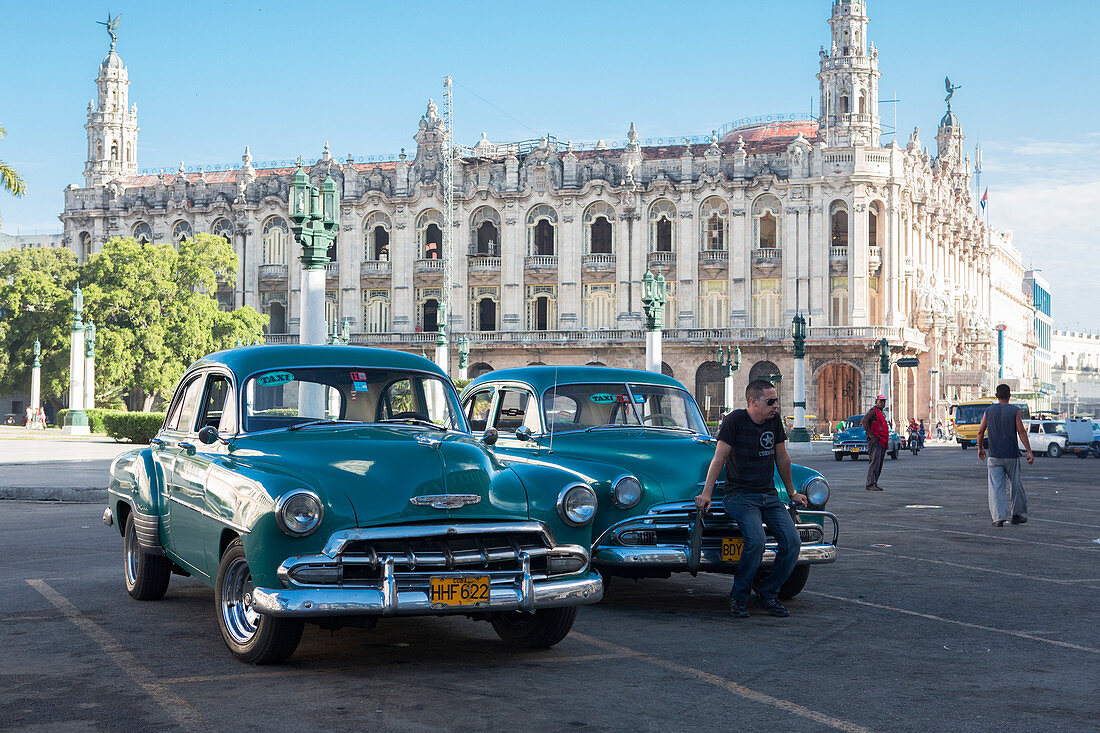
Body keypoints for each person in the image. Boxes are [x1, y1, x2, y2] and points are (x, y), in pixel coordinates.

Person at [696, 379, 807, 618]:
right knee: (756, 541)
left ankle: (768, 594)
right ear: (753, 402)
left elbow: (783, 458)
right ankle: (739, 596)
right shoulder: (734, 421)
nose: (776, 406)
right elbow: (719, 459)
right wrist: (706, 493)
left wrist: (792, 493)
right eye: (770, 402)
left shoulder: (774, 421)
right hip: (740, 496)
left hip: (768, 495)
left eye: (776, 400)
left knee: (793, 542)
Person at [977, 384, 1033, 527]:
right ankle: (1016, 515)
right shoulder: (1015, 411)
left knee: (996, 487)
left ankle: (998, 518)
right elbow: (1021, 431)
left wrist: (980, 449)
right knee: (1015, 485)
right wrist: (1029, 451)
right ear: (1009, 396)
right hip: (1011, 455)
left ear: (996, 396)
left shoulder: (989, 411)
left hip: (994, 455)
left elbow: (980, 431)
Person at [861, 395, 889, 491]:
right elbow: (864, 421)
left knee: (879, 463)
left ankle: (874, 483)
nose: (882, 403)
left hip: (881, 441)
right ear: (876, 401)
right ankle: (870, 484)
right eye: (880, 401)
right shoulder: (873, 411)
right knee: (874, 462)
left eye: (884, 401)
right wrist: (871, 435)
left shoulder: (881, 412)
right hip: (875, 441)